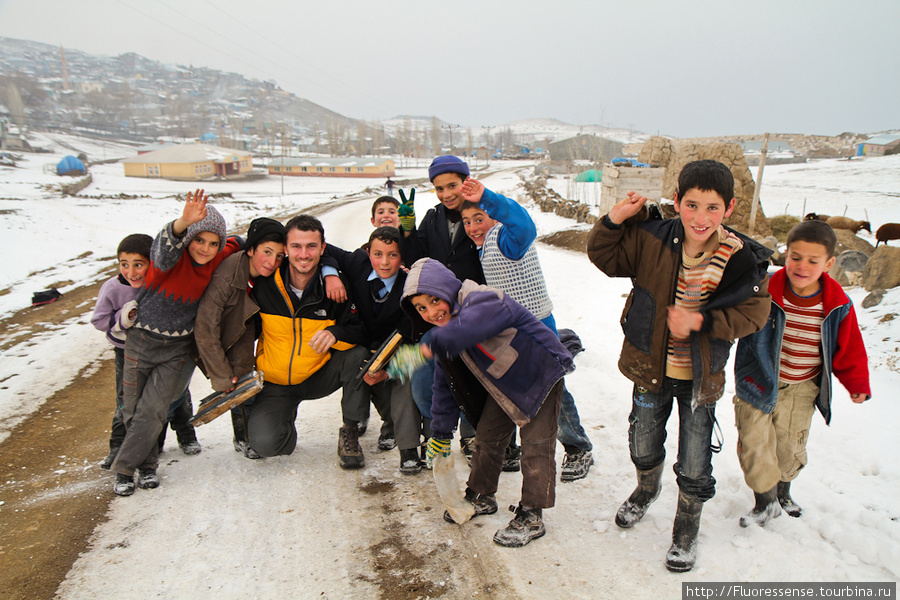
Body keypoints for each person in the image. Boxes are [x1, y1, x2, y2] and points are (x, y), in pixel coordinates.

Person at [586, 159, 772, 572]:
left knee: (694, 458)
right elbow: (604, 256)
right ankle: (645, 490)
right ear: (676, 202)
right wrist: (615, 219)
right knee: (643, 442)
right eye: (691, 205)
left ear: (730, 208)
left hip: (700, 379)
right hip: (649, 370)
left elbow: (755, 314)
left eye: (711, 207)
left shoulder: (743, 259)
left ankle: (687, 523)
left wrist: (702, 322)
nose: (700, 217)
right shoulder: (653, 238)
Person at [396, 258, 574, 547]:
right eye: (421, 308)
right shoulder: (445, 336)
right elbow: (444, 386)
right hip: (503, 380)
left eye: (434, 300)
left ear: (447, 289)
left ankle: (532, 512)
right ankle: (481, 493)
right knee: (488, 436)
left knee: (536, 446)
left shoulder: (482, 299)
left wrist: (427, 347)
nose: (431, 312)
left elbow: (473, 326)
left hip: (540, 372)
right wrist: (439, 434)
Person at [732, 219, 870, 527]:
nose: (802, 266)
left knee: (788, 447)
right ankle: (765, 501)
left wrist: (857, 383)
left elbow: (849, 349)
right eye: (795, 257)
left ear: (829, 263)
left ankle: (783, 490)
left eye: (813, 260)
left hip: (802, 387)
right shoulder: (764, 288)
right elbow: (733, 311)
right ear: (786, 254)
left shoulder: (837, 304)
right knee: (754, 443)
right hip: (757, 379)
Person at [458, 178, 595, 482]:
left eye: (478, 218)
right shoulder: (483, 246)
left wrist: (489, 198)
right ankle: (512, 446)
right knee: (517, 387)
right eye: (466, 221)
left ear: (494, 216)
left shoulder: (508, 240)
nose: (472, 227)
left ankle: (578, 447)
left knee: (549, 390)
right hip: (511, 333)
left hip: (536, 329)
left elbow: (524, 225)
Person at [111, 189, 241, 496]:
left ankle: (125, 469)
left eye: (213, 243)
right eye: (199, 240)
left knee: (154, 410)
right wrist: (183, 222)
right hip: (141, 342)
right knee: (130, 408)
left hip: (177, 351)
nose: (206, 249)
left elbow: (239, 242)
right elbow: (163, 246)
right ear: (189, 239)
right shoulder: (170, 260)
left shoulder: (216, 256)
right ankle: (146, 465)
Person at [249, 214, 370, 467]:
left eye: (311, 246)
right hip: (277, 382)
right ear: (286, 248)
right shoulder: (264, 285)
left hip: (319, 374)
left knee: (359, 355)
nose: (304, 254)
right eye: (296, 246)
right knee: (268, 445)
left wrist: (336, 333)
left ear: (323, 248)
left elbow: (360, 331)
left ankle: (350, 428)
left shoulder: (336, 289)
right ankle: (281, 416)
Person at [399, 155, 484, 464]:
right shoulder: (433, 217)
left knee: (474, 374)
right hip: (438, 311)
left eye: (452, 185)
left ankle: (474, 435)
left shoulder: (480, 213)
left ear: (465, 181)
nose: (447, 194)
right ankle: (439, 428)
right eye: (439, 188)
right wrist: (407, 230)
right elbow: (417, 259)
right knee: (426, 376)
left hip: (472, 309)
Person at [324, 226, 427, 474]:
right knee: (356, 362)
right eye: (378, 254)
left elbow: (414, 345)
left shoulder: (410, 287)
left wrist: (388, 371)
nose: (384, 262)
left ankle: (409, 449)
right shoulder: (358, 264)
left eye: (393, 255)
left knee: (404, 380)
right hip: (362, 350)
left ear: (402, 257)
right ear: (368, 252)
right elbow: (324, 249)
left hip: (396, 354)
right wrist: (330, 274)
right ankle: (352, 427)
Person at [194, 217, 286, 459]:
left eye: (279, 255)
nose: (272, 261)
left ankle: (245, 436)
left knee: (243, 379)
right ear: (252, 249)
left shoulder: (262, 272)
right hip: (204, 332)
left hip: (241, 325)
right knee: (223, 381)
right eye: (267, 252)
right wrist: (220, 375)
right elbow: (205, 326)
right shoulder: (227, 277)